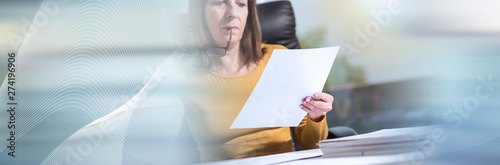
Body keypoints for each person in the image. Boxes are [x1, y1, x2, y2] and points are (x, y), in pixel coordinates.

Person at [181, 0, 334, 162]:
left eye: (241, 4)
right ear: (200, 12)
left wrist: (316, 116)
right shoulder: (184, 76)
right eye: (220, 3)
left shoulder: (278, 57)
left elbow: (314, 146)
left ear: (249, 13)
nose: (232, 13)